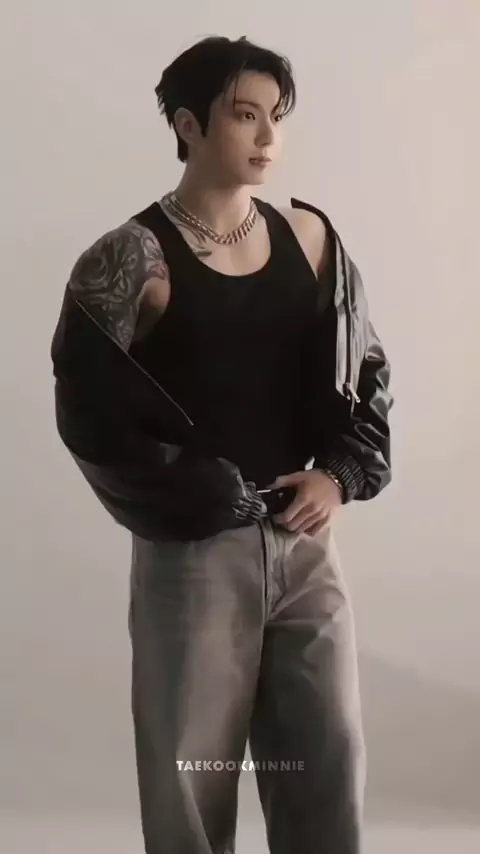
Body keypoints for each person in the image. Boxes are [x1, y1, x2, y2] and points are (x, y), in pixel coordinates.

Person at [50, 35, 393, 854]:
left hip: (306, 547)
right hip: (193, 554)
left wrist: (341, 474)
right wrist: (194, 493)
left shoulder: (310, 240)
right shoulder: (130, 258)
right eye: (244, 115)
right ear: (188, 125)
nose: (268, 137)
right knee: (192, 785)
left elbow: (368, 371)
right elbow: (87, 413)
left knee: (327, 762)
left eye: (276, 116)